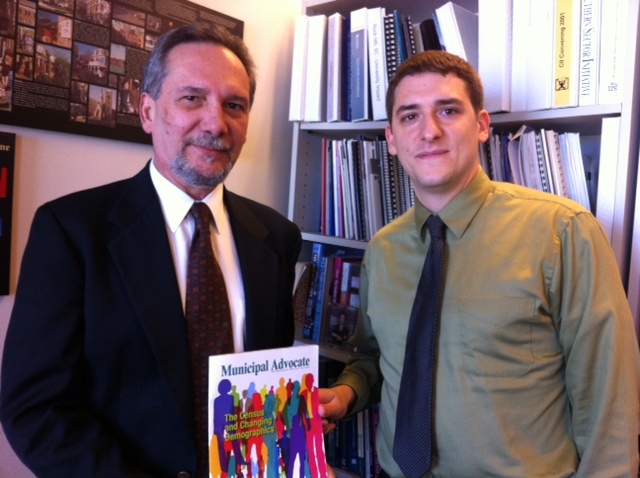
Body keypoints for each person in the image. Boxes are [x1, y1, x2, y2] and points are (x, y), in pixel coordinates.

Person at [318, 50, 640, 477]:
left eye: (448, 110)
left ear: (482, 125)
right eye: (410, 116)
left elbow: (608, 400)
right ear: (392, 139)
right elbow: (380, 357)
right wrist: (346, 392)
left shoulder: (562, 232)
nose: (429, 131)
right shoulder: (383, 250)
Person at [0, 22, 301, 478]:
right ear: (147, 111)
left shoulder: (276, 236)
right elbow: (35, 409)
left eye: (234, 105)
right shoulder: (71, 230)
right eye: (192, 98)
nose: (216, 123)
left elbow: (266, 380)